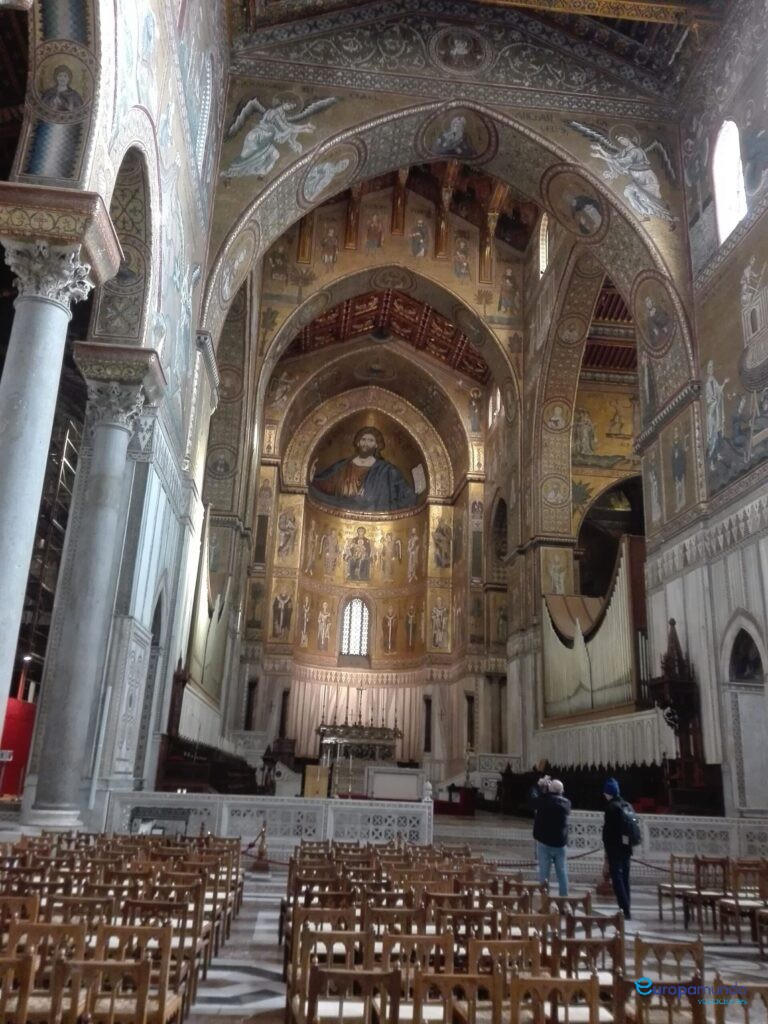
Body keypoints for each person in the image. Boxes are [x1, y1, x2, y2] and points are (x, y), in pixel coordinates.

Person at [531, 776, 571, 897]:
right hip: (560, 844)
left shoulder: (544, 801)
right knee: (562, 873)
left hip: (545, 843)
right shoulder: (567, 803)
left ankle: (545, 901)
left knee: (544, 873)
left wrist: (539, 786)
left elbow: (532, 799)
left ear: (549, 789)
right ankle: (564, 900)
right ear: (562, 791)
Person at [602, 777, 632, 919]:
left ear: (608, 793)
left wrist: (607, 849)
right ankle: (626, 907)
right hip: (627, 847)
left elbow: (608, 831)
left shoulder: (611, 808)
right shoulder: (627, 805)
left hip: (615, 849)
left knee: (617, 879)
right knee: (625, 878)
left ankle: (624, 909)